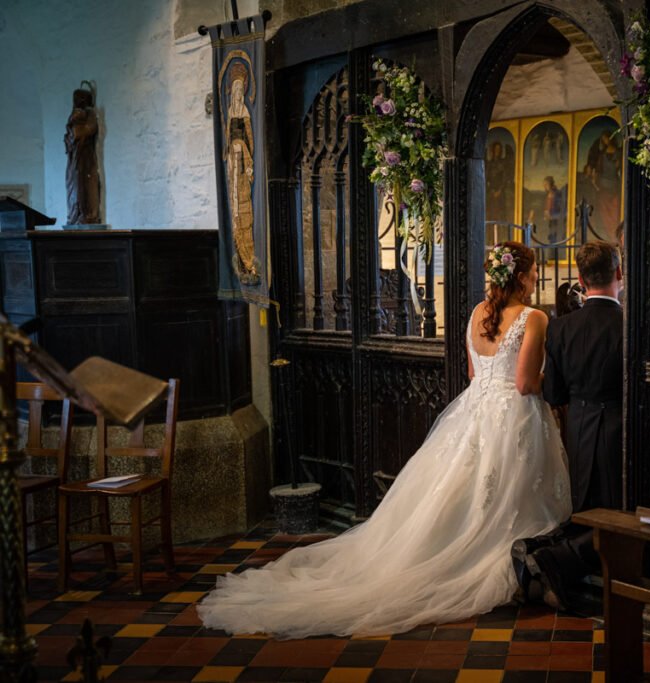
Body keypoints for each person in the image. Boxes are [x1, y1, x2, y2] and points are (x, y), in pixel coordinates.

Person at [198, 241, 570, 639]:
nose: (535, 278)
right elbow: (526, 383)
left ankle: (462, 550)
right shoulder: (534, 318)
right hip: (514, 414)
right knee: (506, 492)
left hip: (474, 410)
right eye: (533, 272)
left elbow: (475, 377)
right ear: (521, 275)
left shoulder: (477, 314)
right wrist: (562, 384)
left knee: (465, 490)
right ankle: (512, 561)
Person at [517, 240, 624, 611]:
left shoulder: (561, 328)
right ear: (619, 274)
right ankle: (559, 560)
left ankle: (551, 558)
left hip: (578, 425)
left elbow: (554, 392)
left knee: (585, 508)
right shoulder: (629, 324)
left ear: (580, 278)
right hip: (618, 427)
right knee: (617, 512)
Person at [225, 63, 258, 282]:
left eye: (240, 90)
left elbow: (249, 137)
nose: (237, 94)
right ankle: (241, 263)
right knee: (235, 209)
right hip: (232, 162)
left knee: (244, 210)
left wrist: (248, 159)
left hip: (243, 159)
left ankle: (249, 263)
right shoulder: (230, 112)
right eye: (234, 90)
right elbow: (228, 135)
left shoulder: (244, 111)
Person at [64, 83, 101, 225]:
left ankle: (86, 213)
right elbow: (69, 136)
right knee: (71, 182)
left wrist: (78, 132)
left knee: (83, 182)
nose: (77, 103)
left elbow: (90, 128)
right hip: (74, 157)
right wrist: (72, 132)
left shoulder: (89, 113)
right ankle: (74, 213)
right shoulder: (72, 117)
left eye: (79, 100)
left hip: (84, 158)